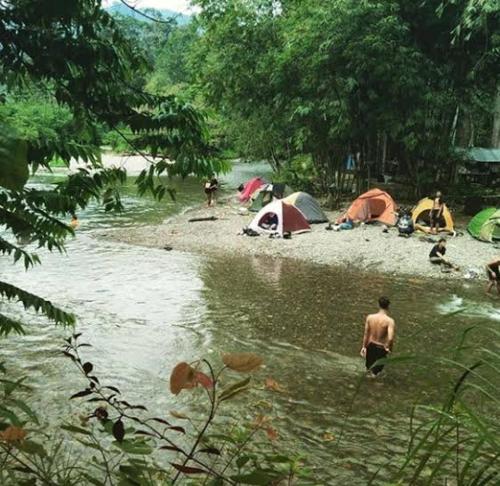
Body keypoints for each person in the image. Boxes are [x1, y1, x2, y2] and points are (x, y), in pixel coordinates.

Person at [360, 296, 395, 377]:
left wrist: (364, 347)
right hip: (381, 348)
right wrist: (389, 348)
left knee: (368, 370)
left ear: (378, 305)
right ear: (388, 306)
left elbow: (366, 334)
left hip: (370, 346)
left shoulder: (370, 317)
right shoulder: (389, 321)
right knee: (377, 373)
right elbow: (390, 338)